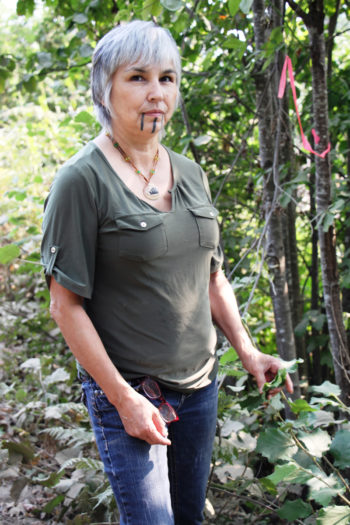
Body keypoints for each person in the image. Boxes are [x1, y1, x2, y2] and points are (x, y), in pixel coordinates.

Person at [41, 20, 293, 525]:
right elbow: (65, 306)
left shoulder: (191, 173)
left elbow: (211, 275)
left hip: (200, 386)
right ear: (104, 89)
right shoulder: (81, 180)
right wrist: (124, 400)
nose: (157, 93)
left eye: (168, 77)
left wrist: (247, 351)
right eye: (137, 77)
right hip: (128, 389)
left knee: (188, 519)